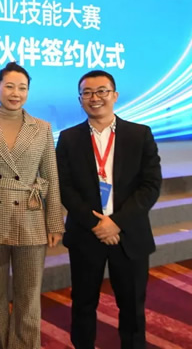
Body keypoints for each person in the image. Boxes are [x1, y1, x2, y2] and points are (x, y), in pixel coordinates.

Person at [56, 70, 162, 349]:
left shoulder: (140, 134)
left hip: (129, 234)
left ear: (115, 95)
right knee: (83, 303)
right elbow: (64, 187)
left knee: (132, 306)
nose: (95, 98)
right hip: (86, 234)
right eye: (87, 93)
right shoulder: (68, 138)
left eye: (102, 91)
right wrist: (96, 225)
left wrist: (117, 223)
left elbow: (151, 185)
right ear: (80, 99)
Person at [0, 62, 65, 349]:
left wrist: (54, 223)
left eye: (22, 88)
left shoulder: (42, 128)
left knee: (29, 296)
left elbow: (51, 176)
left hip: (31, 217)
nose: (16, 93)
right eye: (9, 86)